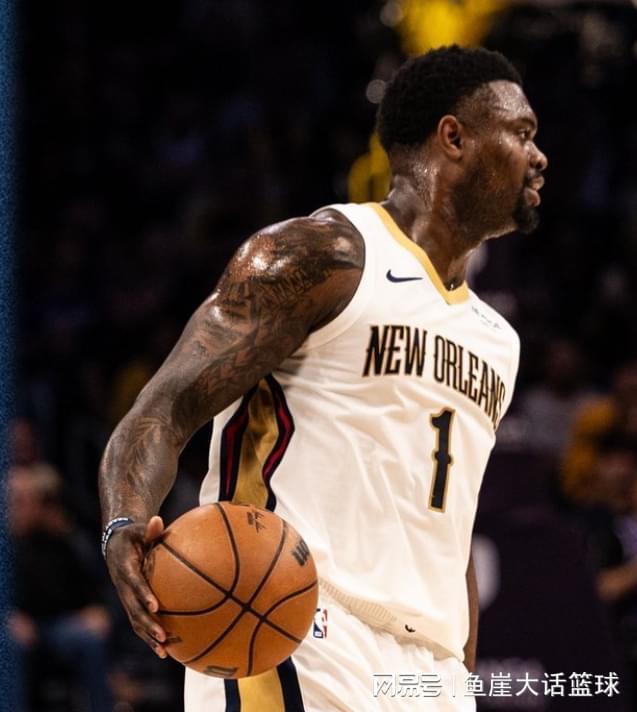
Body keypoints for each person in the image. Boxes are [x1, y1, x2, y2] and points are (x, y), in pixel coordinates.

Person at [99, 45, 547, 711]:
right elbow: (164, 410)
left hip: (428, 669)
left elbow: (449, 535)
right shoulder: (322, 257)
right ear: (453, 137)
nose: (538, 156)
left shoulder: (497, 340)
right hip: (293, 625)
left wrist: (458, 669)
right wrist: (124, 522)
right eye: (521, 133)